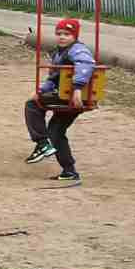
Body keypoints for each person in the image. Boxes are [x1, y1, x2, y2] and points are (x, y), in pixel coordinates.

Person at [24, 17, 97, 186]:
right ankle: (69, 171)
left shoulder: (77, 50)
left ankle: (42, 143)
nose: (62, 37)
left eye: (67, 34)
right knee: (55, 132)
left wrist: (78, 87)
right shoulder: (59, 53)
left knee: (32, 106)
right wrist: (41, 91)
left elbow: (86, 64)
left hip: (73, 97)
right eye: (59, 34)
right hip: (65, 96)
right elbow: (54, 77)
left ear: (75, 36)